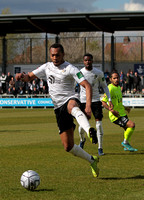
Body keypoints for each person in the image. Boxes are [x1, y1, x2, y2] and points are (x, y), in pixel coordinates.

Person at [15, 43, 99, 178]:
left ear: (63, 55)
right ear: (50, 55)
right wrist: (21, 76)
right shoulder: (46, 67)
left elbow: (87, 85)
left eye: (57, 55)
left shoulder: (70, 68)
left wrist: (88, 107)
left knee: (72, 106)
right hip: (58, 108)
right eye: (53, 55)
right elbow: (29, 77)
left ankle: (89, 131)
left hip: (70, 99)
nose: (55, 58)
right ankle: (92, 160)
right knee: (68, 147)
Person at [78, 53, 113, 156]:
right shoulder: (80, 73)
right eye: (86, 60)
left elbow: (105, 86)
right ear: (83, 61)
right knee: (81, 126)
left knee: (99, 125)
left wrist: (109, 99)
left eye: (89, 60)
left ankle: (100, 148)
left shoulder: (99, 73)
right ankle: (82, 139)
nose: (87, 62)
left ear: (92, 60)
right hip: (84, 101)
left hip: (96, 101)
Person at [102, 70, 137, 152]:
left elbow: (118, 102)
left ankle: (126, 146)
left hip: (122, 113)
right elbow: (103, 102)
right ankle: (125, 143)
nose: (116, 79)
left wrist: (125, 108)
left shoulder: (118, 87)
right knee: (132, 125)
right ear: (110, 79)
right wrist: (111, 110)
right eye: (114, 78)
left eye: (117, 78)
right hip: (116, 116)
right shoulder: (109, 88)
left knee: (127, 129)